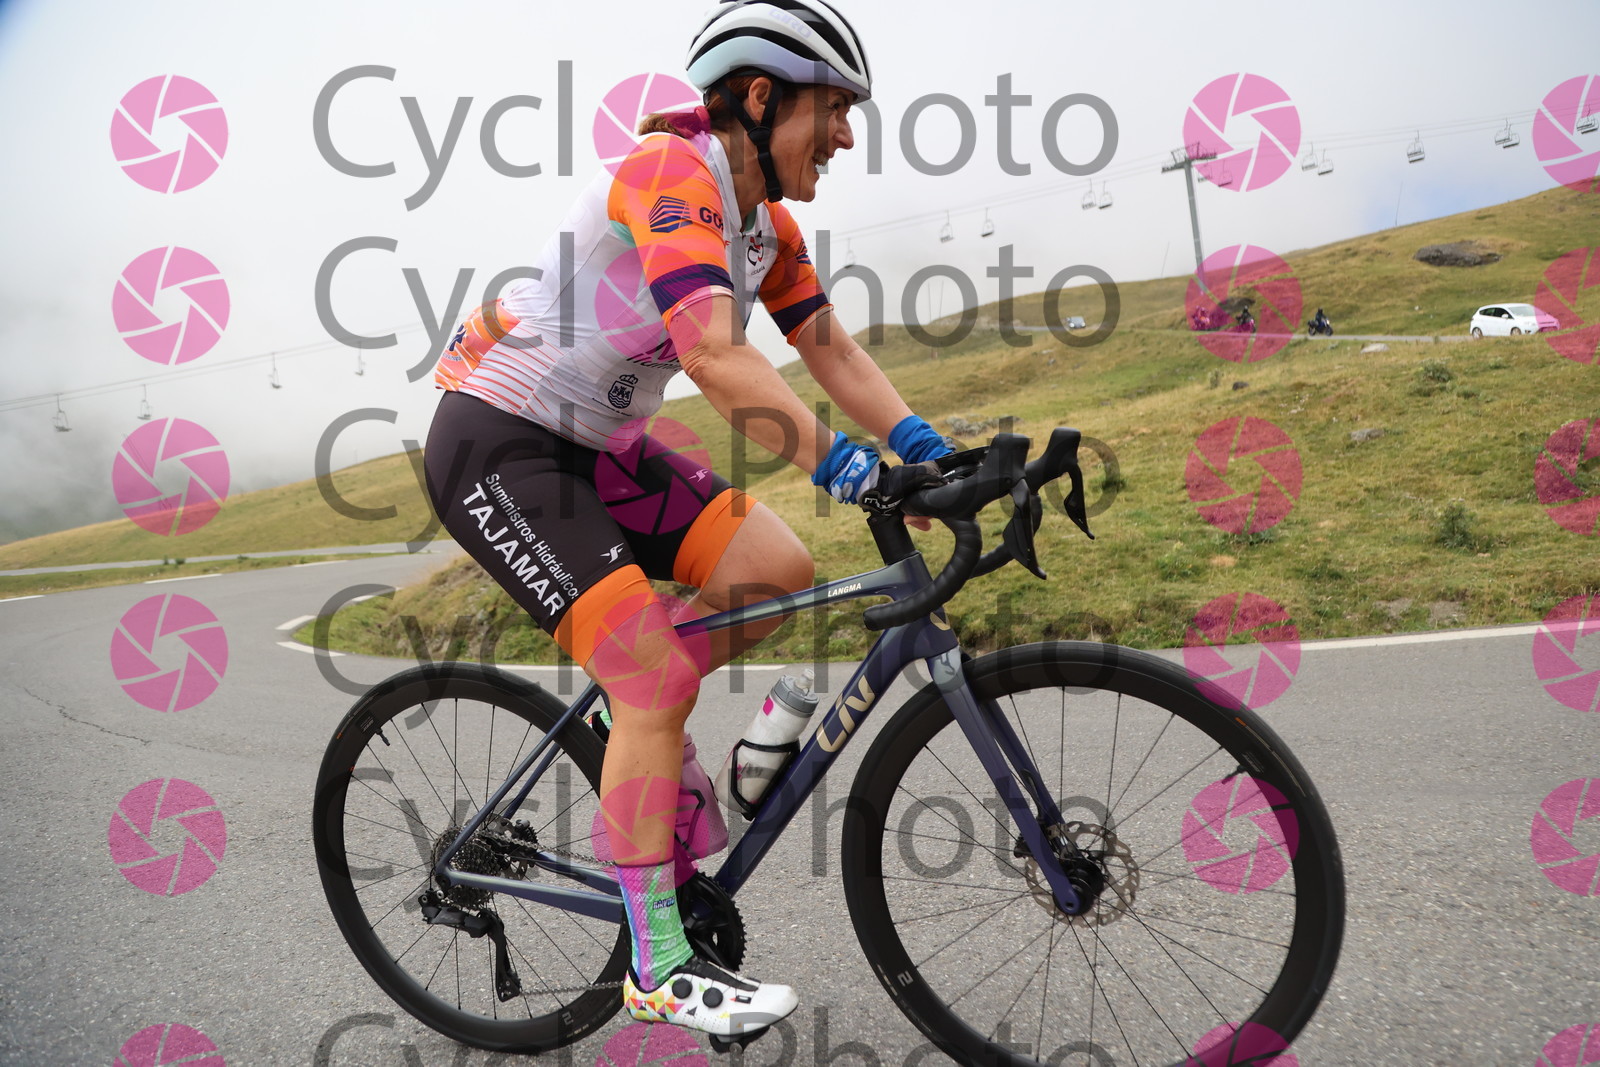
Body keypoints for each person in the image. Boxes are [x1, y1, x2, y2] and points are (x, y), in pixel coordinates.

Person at [421, 0, 948, 1043]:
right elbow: (711, 354)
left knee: (775, 566)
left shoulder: (765, 228)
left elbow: (832, 351)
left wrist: (930, 451)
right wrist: (848, 467)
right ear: (760, 98)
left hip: (603, 448)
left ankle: (636, 727)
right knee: (655, 674)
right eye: (833, 110)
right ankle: (657, 964)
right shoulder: (670, 173)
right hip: (500, 443)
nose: (844, 136)